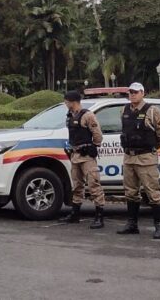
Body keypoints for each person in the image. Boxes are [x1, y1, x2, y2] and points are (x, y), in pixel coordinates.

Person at [117, 83, 160, 239]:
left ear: (142, 93)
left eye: (135, 92)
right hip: (129, 157)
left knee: (153, 193)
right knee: (130, 192)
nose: (132, 94)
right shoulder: (124, 110)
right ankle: (132, 224)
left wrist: (152, 147)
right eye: (130, 92)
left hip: (146, 158)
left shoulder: (152, 111)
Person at [63, 91, 106, 229]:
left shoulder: (87, 115)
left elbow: (97, 134)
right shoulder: (70, 116)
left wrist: (94, 147)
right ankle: (75, 214)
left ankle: (99, 216)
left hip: (86, 156)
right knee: (77, 186)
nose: (65, 104)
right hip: (75, 155)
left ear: (72, 101)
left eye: (66, 101)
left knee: (93, 184)